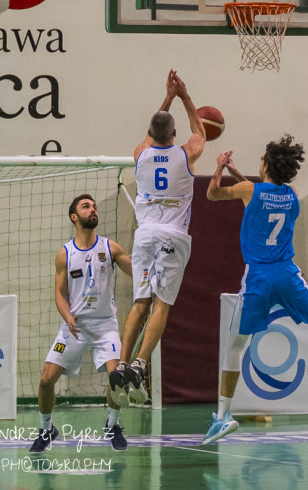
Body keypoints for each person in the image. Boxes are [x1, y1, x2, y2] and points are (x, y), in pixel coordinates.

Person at [202, 135, 308, 445]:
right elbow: (261, 193)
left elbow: (213, 194)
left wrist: (221, 167)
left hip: (258, 277)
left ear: (264, 164)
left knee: (235, 346)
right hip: (288, 272)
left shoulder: (250, 190)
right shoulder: (291, 196)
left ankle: (223, 417)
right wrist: (239, 174)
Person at [109, 70, 206, 407]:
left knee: (140, 301)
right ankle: (139, 364)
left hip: (145, 235)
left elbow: (152, 134)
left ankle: (121, 364)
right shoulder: (187, 153)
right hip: (173, 237)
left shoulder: (141, 153)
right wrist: (184, 95)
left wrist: (166, 97)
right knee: (162, 303)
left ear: (149, 133)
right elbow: (200, 131)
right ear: (174, 134)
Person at [29, 194, 132, 453]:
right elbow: (59, 294)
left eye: (94, 206)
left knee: (116, 377)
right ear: (74, 216)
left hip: (104, 325)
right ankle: (46, 428)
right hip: (74, 327)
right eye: (86, 207)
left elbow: (135, 270)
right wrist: (67, 315)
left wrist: (148, 260)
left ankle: (112, 424)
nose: (93, 209)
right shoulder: (65, 253)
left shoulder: (110, 248)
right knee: (45, 380)